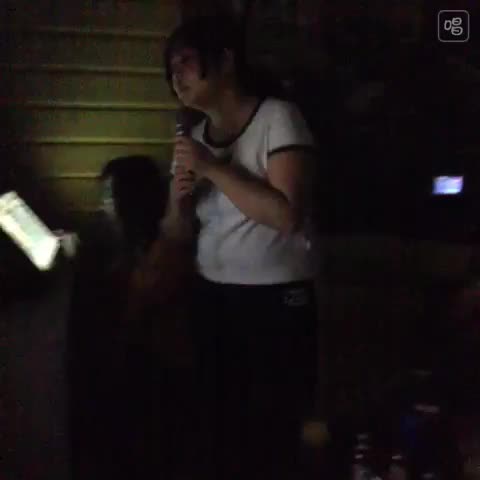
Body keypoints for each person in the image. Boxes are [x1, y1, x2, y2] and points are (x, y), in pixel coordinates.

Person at [162, 15, 320, 480]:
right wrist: (178, 203)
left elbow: (287, 215)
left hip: (275, 299)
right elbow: (176, 232)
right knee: (220, 422)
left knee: (272, 426)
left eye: (185, 62)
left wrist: (213, 169)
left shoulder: (277, 117)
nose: (176, 76)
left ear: (226, 61)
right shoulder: (193, 140)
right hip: (212, 293)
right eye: (170, 69)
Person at [69, 155, 195, 480]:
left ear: (131, 199)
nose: (104, 205)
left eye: (110, 196)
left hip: (159, 371)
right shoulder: (139, 241)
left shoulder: (164, 250)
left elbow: (133, 314)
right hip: (147, 360)